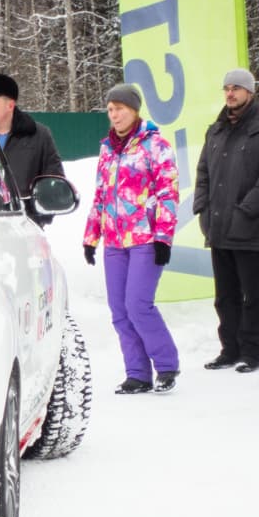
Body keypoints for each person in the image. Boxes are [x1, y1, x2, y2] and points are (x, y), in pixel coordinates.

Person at [82, 83, 180, 394]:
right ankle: (137, 373)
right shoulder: (107, 149)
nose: (114, 114)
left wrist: (163, 237)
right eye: (110, 110)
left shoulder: (156, 146)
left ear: (134, 110)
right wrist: (91, 236)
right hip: (114, 241)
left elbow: (168, 192)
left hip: (144, 238)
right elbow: (100, 196)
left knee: (138, 304)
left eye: (120, 108)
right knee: (119, 310)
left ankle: (166, 365)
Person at [193, 68, 259, 372]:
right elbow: (203, 172)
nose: (230, 93)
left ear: (250, 92)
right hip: (218, 226)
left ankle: (251, 353)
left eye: (236, 88)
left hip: (249, 227)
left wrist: (247, 209)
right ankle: (229, 350)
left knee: (252, 295)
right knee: (225, 296)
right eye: (227, 88)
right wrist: (202, 209)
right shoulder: (215, 130)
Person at [0, 73, 64, 226]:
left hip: (24, 232)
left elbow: (54, 184)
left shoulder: (38, 136)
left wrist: (35, 219)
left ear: (10, 105)